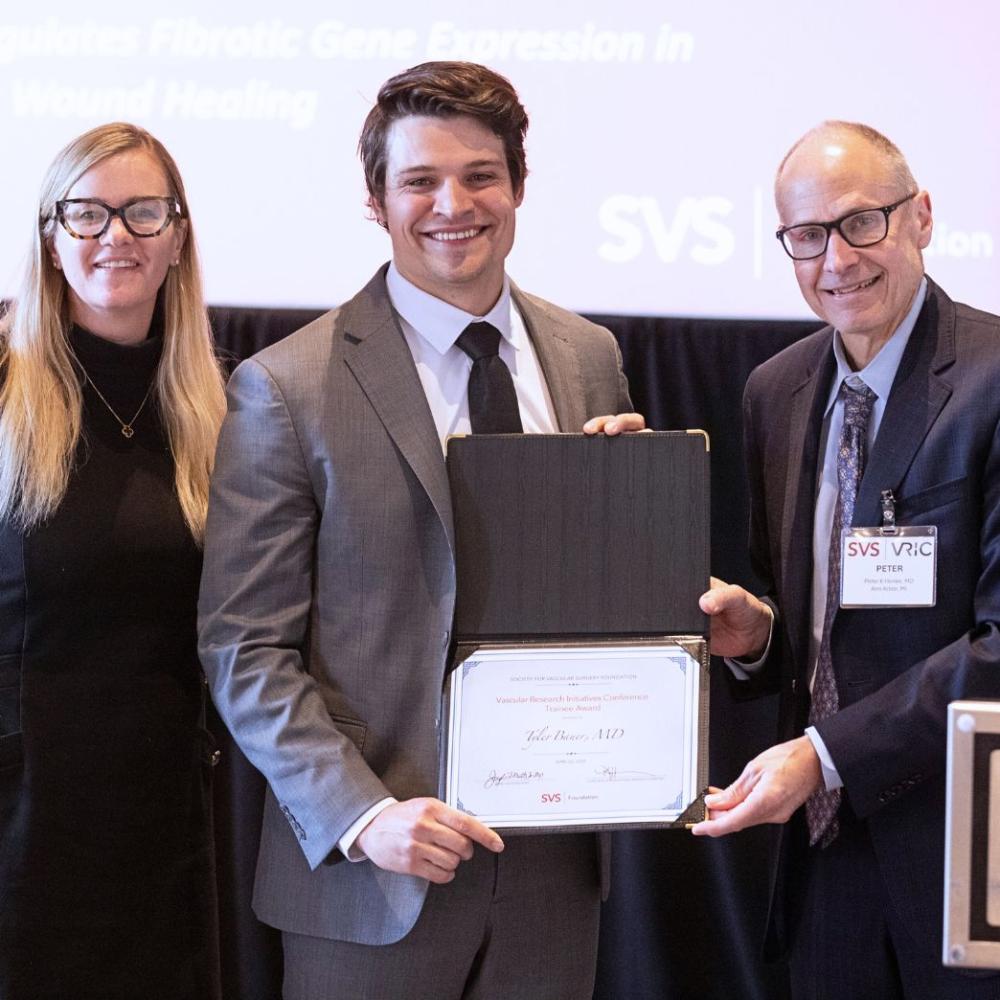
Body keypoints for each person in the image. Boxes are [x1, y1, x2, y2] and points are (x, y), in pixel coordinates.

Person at [198, 61, 641, 1000]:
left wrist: (643, 524)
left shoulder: (589, 358)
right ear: (376, 200)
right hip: (371, 881)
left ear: (518, 186)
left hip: (552, 874)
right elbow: (244, 649)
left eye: (480, 175)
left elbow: (607, 613)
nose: (454, 204)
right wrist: (363, 817)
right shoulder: (287, 386)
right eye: (420, 181)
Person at [692, 121, 1000, 999]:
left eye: (863, 222)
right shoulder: (776, 391)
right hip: (826, 859)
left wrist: (825, 754)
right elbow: (824, 626)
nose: (837, 260)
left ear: (923, 217)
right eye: (807, 236)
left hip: (968, 850)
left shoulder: (992, 377)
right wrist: (758, 636)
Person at [0, 122, 227, 999]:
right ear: (51, 241)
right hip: (23, 816)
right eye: (86, 214)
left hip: (169, 822)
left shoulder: (228, 410)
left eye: (142, 212)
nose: (116, 237)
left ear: (178, 239)